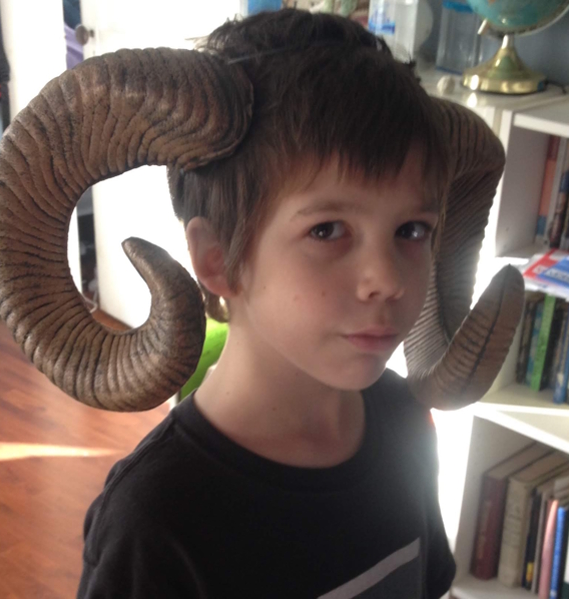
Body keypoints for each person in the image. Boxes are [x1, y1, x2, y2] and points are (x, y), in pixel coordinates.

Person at [76, 9, 460, 599]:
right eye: (327, 230)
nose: (387, 280)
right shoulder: (157, 520)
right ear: (219, 260)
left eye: (411, 230)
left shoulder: (405, 419)